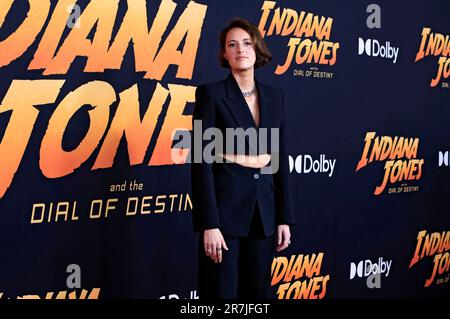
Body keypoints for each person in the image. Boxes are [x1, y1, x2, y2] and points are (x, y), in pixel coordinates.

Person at [191, 17, 296, 299]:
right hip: (224, 216)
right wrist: (209, 224)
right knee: (220, 294)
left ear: (257, 48)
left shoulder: (275, 96)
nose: (241, 50)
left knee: (257, 293)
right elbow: (201, 162)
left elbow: (279, 158)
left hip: (264, 214)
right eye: (232, 45)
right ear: (224, 53)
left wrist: (284, 217)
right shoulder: (211, 95)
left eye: (247, 43)